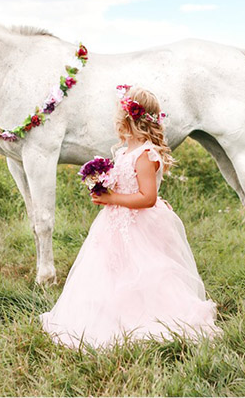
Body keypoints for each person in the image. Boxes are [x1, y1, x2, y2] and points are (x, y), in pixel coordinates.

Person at [39, 86, 221, 349]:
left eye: (119, 115)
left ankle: (146, 317)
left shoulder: (146, 155)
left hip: (141, 225)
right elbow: (126, 186)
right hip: (114, 222)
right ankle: (109, 314)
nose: (116, 121)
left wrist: (112, 199)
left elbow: (147, 198)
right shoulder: (123, 152)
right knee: (107, 271)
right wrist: (102, 186)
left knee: (144, 271)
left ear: (129, 118)